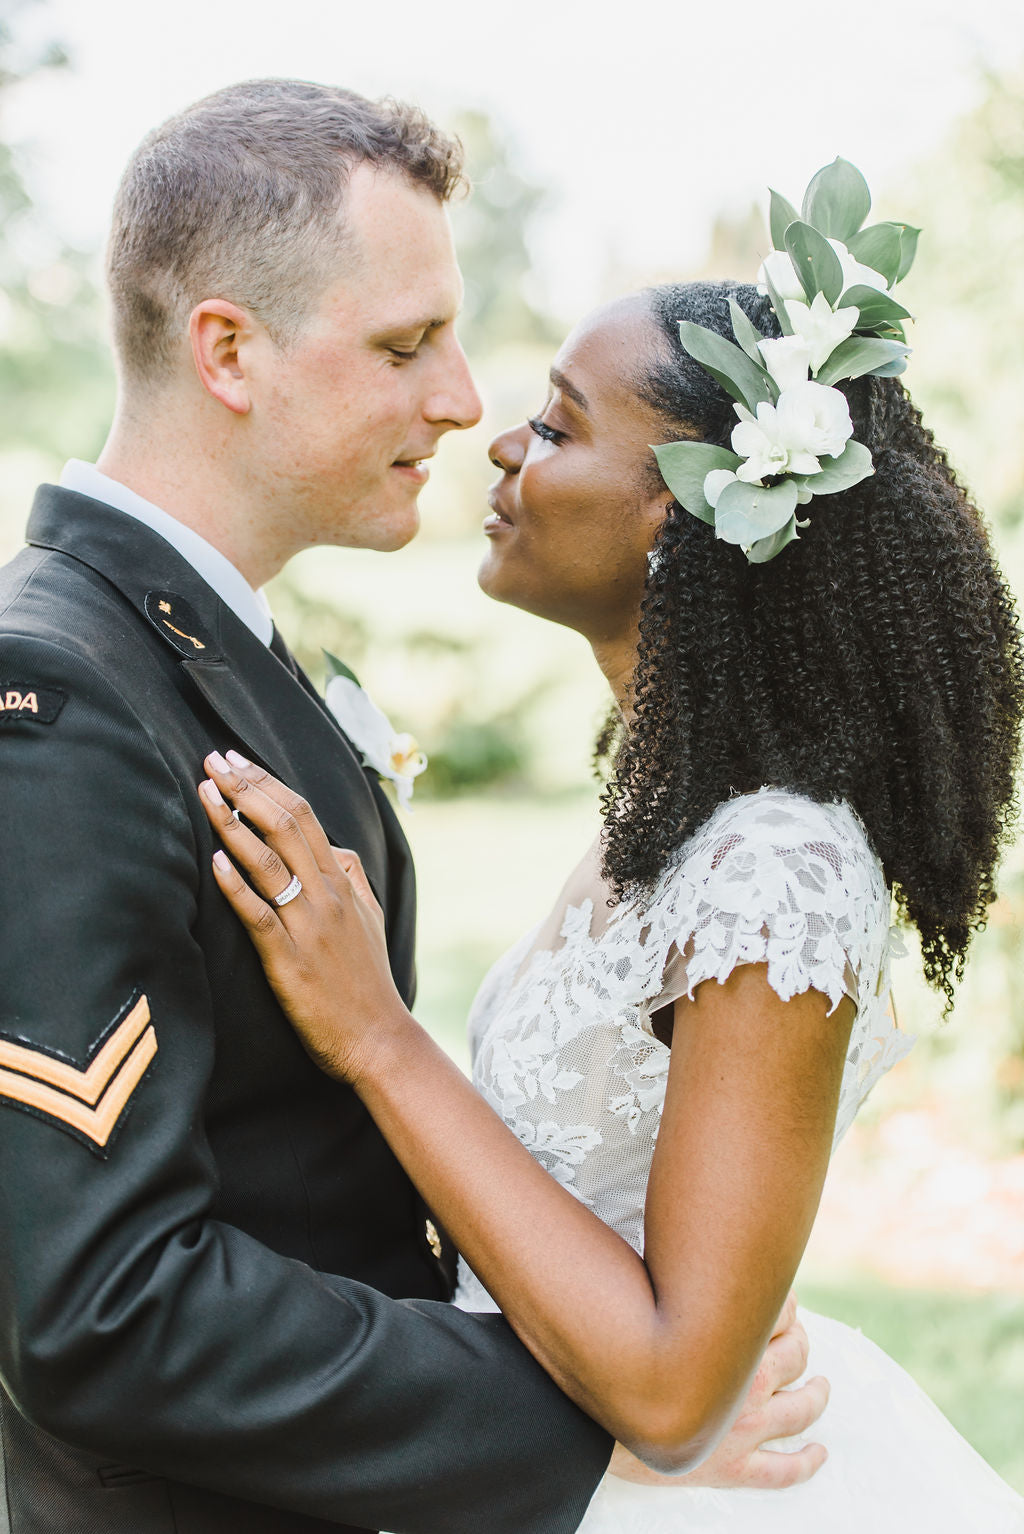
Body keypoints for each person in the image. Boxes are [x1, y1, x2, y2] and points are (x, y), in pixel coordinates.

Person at [0, 80, 827, 1532]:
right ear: (227, 352)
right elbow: (103, 1309)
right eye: (406, 344)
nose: (461, 396)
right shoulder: (57, 698)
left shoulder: (223, 649)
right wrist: (574, 1418)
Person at [198, 161, 1024, 1532]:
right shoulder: (678, 815)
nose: (502, 448)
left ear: (683, 517)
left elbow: (673, 1387)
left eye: (557, 427)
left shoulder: (778, 866)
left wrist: (379, 1035)